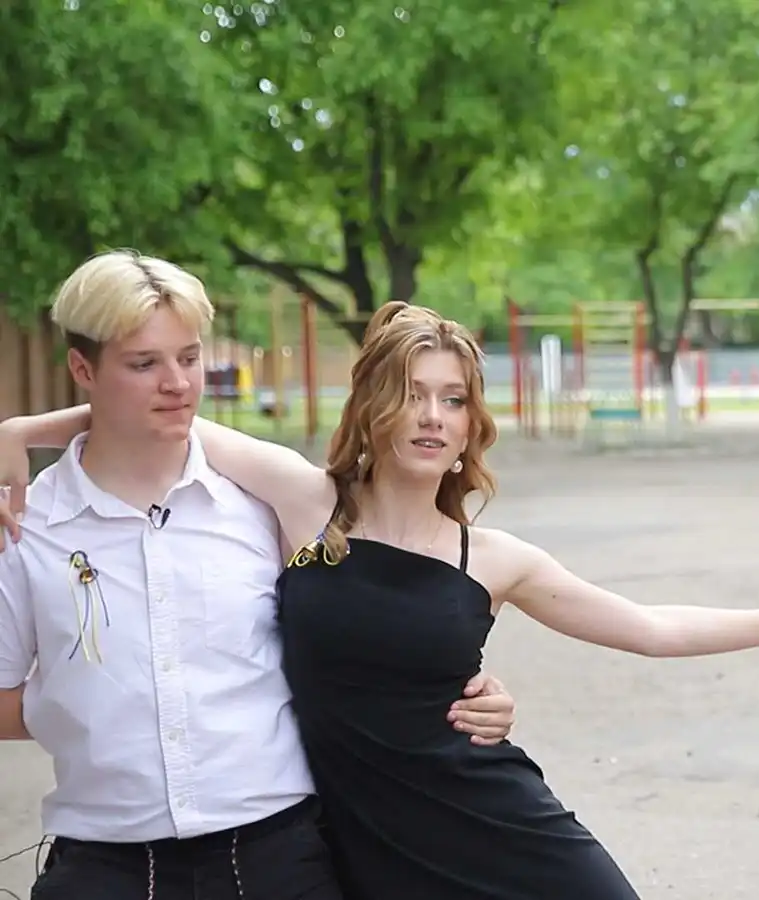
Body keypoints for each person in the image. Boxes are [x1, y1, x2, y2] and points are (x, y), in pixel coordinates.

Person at [11, 297, 759, 900]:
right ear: (374, 407)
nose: (432, 416)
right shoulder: (309, 505)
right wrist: (19, 432)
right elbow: (160, 407)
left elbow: (652, 627)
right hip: (362, 846)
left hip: (499, 827)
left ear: (472, 424)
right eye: (411, 395)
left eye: (453, 400)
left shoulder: (493, 560)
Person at [0, 250, 517, 900]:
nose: (177, 383)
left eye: (189, 357)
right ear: (83, 369)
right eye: (144, 364)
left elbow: (375, 626)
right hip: (104, 863)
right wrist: (93, 695)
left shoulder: (262, 502)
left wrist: (465, 691)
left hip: (278, 856)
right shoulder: (25, 526)